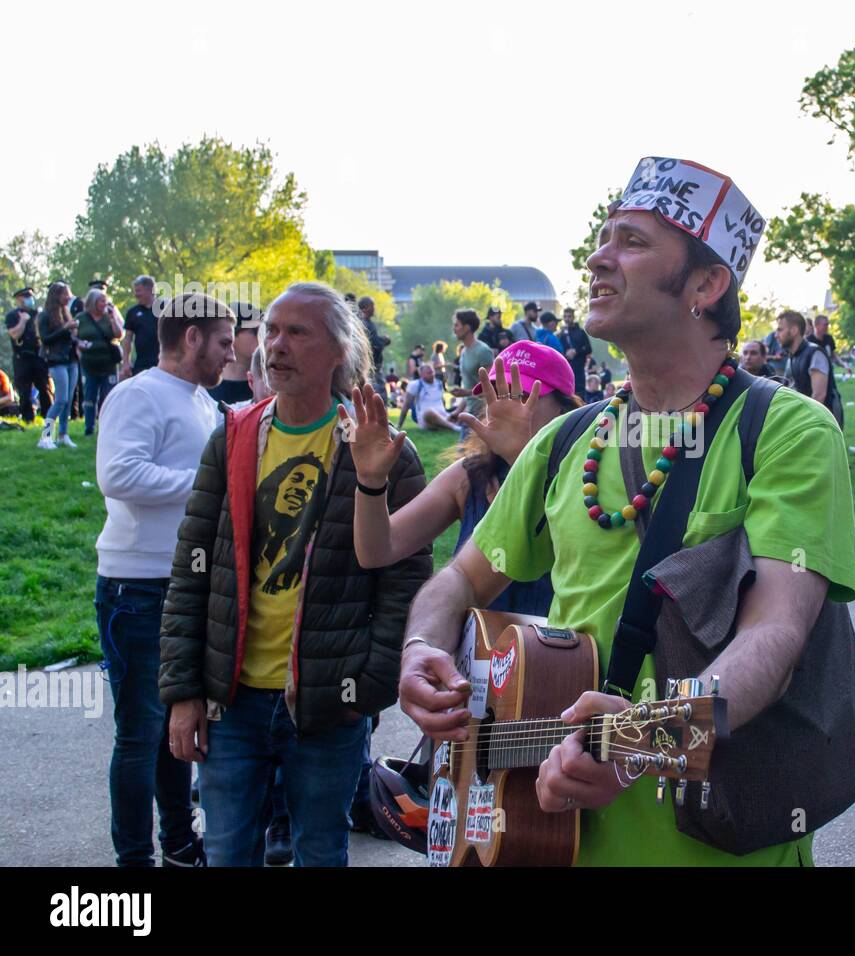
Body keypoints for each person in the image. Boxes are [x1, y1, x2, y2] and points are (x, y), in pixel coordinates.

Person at [398, 156, 855, 866]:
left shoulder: (786, 431)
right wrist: (422, 649)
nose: (597, 257)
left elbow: (775, 635)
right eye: (604, 237)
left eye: (634, 242)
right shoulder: (565, 442)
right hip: (550, 841)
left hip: (717, 844)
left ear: (707, 284)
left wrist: (636, 746)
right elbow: (457, 582)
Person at [160, 282, 431, 867]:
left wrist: (369, 684)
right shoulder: (231, 438)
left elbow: (405, 584)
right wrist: (183, 692)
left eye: (297, 333)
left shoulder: (383, 450)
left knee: (319, 849)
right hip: (229, 700)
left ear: (338, 351)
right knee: (229, 851)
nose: (274, 346)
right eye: (272, 331)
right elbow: (190, 573)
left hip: (328, 702)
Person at [94, 292, 236, 867]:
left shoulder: (203, 402)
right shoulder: (137, 394)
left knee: (180, 724)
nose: (230, 355)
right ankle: (135, 862)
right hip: (136, 590)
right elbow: (118, 474)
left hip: (183, 587)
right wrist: (207, 482)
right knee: (140, 734)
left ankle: (178, 843)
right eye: (223, 341)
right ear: (193, 337)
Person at [346, 342, 580, 616]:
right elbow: (377, 550)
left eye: (522, 395)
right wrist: (370, 481)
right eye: (496, 393)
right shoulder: (468, 476)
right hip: (475, 655)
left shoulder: (585, 476)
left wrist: (523, 459)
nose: (504, 406)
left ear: (564, 409)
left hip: (557, 654)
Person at [778, 309, 843, 426]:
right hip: (807, 419)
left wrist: (801, 424)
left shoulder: (814, 354)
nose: (776, 335)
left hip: (821, 422)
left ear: (793, 331)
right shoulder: (793, 355)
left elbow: (819, 397)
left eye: (780, 330)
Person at [37, 282, 80, 448]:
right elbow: (46, 339)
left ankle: (63, 434)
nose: (69, 297)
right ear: (56, 296)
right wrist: (65, 328)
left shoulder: (66, 313)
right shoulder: (45, 316)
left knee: (68, 401)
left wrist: (78, 340)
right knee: (60, 399)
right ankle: (45, 436)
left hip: (71, 360)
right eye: (65, 294)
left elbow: (67, 338)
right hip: (56, 361)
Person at [76, 288, 124, 436]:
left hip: (108, 364)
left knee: (109, 396)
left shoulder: (109, 317)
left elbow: (119, 334)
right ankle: (89, 427)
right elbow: (73, 336)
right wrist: (79, 344)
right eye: (101, 301)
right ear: (93, 302)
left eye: (105, 300)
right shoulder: (81, 318)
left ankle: (107, 427)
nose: (105, 303)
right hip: (89, 364)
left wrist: (112, 318)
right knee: (90, 397)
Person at [5, 286, 52, 423]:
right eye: (26, 296)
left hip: (39, 356)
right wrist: (23, 321)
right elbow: (14, 334)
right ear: (19, 299)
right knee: (24, 391)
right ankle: (28, 419)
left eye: (30, 296)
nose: (30, 299)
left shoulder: (39, 314)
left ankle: (48, 418)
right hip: (22, 358)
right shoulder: (12, 316)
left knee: (45, 388)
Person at [447, 309, 495, 441]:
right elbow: (470, 385)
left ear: (467, 327)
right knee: (464, 458)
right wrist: (458, 411)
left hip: (483, 415)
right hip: (470, 412)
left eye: (457, 325)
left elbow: (491, 388)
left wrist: (465, 393)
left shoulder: (483, 351)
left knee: (467, 459)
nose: (454, 329)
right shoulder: (464, 352)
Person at [207, 302, 261, 405]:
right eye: (254, 331)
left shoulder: (269, 382)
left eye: (264, 330)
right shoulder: (204, 385)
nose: (262, 336)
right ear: (230, 334)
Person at [121, 275, 162, 378]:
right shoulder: (133, 312)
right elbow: (127, 339)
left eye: (139, 291)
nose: (136, 295)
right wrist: (126, 362)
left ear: (149, 290)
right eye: (135, 291)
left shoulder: (165, 308)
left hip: (162, 362)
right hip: (141, 364)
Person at [398, 363, 456, 432]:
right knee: (429, 412)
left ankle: (449, 424)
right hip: (426, 417)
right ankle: (454, 427)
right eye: (429, 373)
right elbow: (406, 405)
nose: (432, 375)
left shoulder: (439, 383)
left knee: (460, 409)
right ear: (421, 375)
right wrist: (399, 425)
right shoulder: (415, 384)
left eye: (432, 372)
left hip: (443, 415)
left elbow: (441, 401)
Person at [357, 296, 390, 393]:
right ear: (367, 307)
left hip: (373, 366)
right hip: (370, 367)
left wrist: (381, 339)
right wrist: (383, 342)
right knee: (378, 394)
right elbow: (371, 344)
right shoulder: (363, 324)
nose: (374, 308)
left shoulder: (368, 323)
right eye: (372, 305)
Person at [559, 306, 593, 385]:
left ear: (573, 317)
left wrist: (576, 351)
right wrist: (565, 354)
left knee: (579, 394)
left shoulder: (581, 332)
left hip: (579, 370)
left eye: (569, 316)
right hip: (565, 369)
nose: (567, 319)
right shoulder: (561, 333)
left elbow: (589, 349)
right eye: (565, 316)